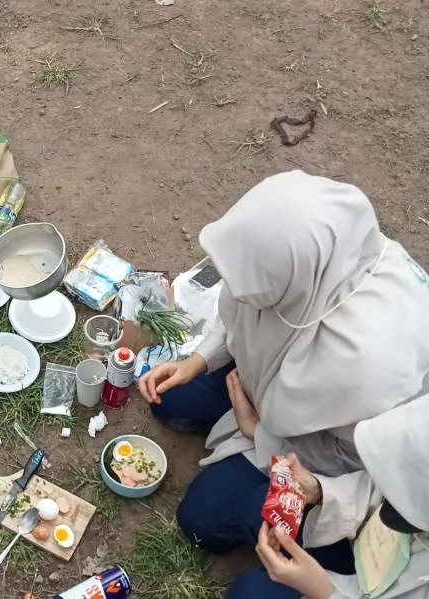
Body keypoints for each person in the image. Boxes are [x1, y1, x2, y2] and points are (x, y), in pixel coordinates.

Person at [138, 171, 429, 569]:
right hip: (267, 387)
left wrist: (257, 430)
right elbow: (244, 302)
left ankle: (319, 559)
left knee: (203, 520)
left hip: (326, 459)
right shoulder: (311, 256)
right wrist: (198, 361)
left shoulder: (366, 364)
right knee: (170, 398)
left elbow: (349, 458)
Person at [230, 393, 429, 598]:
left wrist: (323, 591)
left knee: (249, 593)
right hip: (366, 549)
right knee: (257, 508)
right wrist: (320, 491)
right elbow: (378, 488)